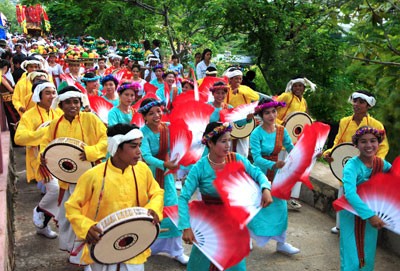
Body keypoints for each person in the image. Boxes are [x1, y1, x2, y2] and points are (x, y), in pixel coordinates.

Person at [65, 123, 164, 271]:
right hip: (104, 243)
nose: (139, 152)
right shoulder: (93, 176)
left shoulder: (143, 169)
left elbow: (157, 192)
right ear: (117, 147)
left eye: (140, 145)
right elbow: (72, 207)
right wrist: (86, 227)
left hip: (135, 241)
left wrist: (153, 208)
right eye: (133, 146)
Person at [178, 121, 273, 270]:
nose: (228, 145)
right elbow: (183, 197)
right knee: (204, 263)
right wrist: (186, 227)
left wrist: (265, 188)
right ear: (210, 143)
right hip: (208, 226)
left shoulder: (236, 159)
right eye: (223, 141)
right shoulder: (200, 167)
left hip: (232, 221)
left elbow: (257, 173)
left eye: (229, 140)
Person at [40, 85, 107, 264]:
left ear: (80, 102)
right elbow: (46, 144)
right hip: (66, 180)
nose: (72, 105)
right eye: (68, 102)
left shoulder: (91, 119)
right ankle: (77, 254)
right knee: (69, 218)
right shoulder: (55, 124)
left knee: (89, 217)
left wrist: (91, 152)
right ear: (60, 105)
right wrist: (44, 157)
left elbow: (105, 140)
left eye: (76, 101)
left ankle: (89, 256)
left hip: (91, 178)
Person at [323, 90, 389, 234]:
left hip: (367, 166)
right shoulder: (344, 122)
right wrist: (329, 153)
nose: (357, 105)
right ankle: (341, 226)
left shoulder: (376, 124)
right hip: (348, 165)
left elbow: (383, 147)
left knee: (364, 196)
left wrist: (376, 164)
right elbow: (337, 143)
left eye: (361, 102)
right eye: (355, 101)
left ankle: (364, 227)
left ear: (368, 105)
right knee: (345, 192)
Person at [138, 98, 189, 265]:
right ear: (144, 117)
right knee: (151, 210)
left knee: (172, 208)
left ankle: (176, 250)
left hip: (166, 175)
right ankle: (148, 247)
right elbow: (145, 156)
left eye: (159, 111)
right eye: (151, 113)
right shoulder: (142, 133)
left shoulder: (168, 128)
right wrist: (164, 163)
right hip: (150, 175)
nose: (156, 115)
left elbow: (180, 142)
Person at [248, 98, 300, 255]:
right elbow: (256, 158)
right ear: (261, 115)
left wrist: (303, 154)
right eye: (267, 113)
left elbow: (291, 147)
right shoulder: (256, 133)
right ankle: (247, 237)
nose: (271, 115)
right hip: (260, 173)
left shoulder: (281, 130)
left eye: (274, 112)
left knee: (280, 207)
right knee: (257, 206)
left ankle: (281, 242)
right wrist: (273, 165)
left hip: (278, 174)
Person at [14, 80, 63, 239]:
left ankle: (43, 225)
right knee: (55, 190)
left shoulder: (58, 113)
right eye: (47, 93)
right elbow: (19, 138)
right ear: (39, 96)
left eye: (53, 92)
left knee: (62, 193)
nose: (51, 96)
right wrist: (44, 132)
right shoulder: (29, 115)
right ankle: (40, 210)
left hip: (60, 159)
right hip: (40, 161)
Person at [339, 126, 391, 271]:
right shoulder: (351, 166)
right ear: (356, 145)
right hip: (351, 213)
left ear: (378, 143)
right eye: (363, 141)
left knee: (367, 256)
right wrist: (370, 215)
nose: (369, 145)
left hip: (372, 213)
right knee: (352, 257)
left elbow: (394, 175)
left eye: (373, 141)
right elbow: (350, 194)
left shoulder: (381, 164)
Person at [276, 76, 316, 210]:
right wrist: (280, 124)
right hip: (282, 135)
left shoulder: (303, 101)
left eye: (301, 86)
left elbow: (304, 119)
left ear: (304, 89)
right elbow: (272, 108)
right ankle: (278, 194)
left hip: (296, 138)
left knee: (295, 165)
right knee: (281, 165)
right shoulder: (286, 97)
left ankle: (291, 197)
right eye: (296, 86)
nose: (298, 88)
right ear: (291, 87)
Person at [224, 67, 259, 158]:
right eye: (236, 78)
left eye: (240, 78)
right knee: (228, 148)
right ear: (230, 80)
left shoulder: (245, 89)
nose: (238, 81)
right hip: (230, 121)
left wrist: (239, 91)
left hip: (244, 121)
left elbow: (256, 97)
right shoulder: (225, 90)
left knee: (243, 150)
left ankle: (242, 167)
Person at [0, 59, 19, 146]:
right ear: (6, 67)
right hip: (7, 101)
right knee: (13, 119)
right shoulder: (1, 77)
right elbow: (10, 89)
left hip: (7, 100)